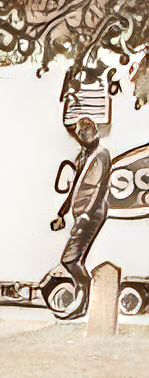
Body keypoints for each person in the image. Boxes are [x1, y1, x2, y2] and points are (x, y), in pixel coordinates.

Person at [50, 116, 111, 319]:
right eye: (80, 132)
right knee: (72, 260)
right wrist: (62, 213)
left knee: (70, 259)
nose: (82, 135)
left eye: (86, 130)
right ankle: (82, 303)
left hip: (91, 214)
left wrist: (85, 214)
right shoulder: (82, 156)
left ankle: (82, 304)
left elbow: (98, 189)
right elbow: (75, 188)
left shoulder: (101, 155)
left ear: (94, 131)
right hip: (82, 214)